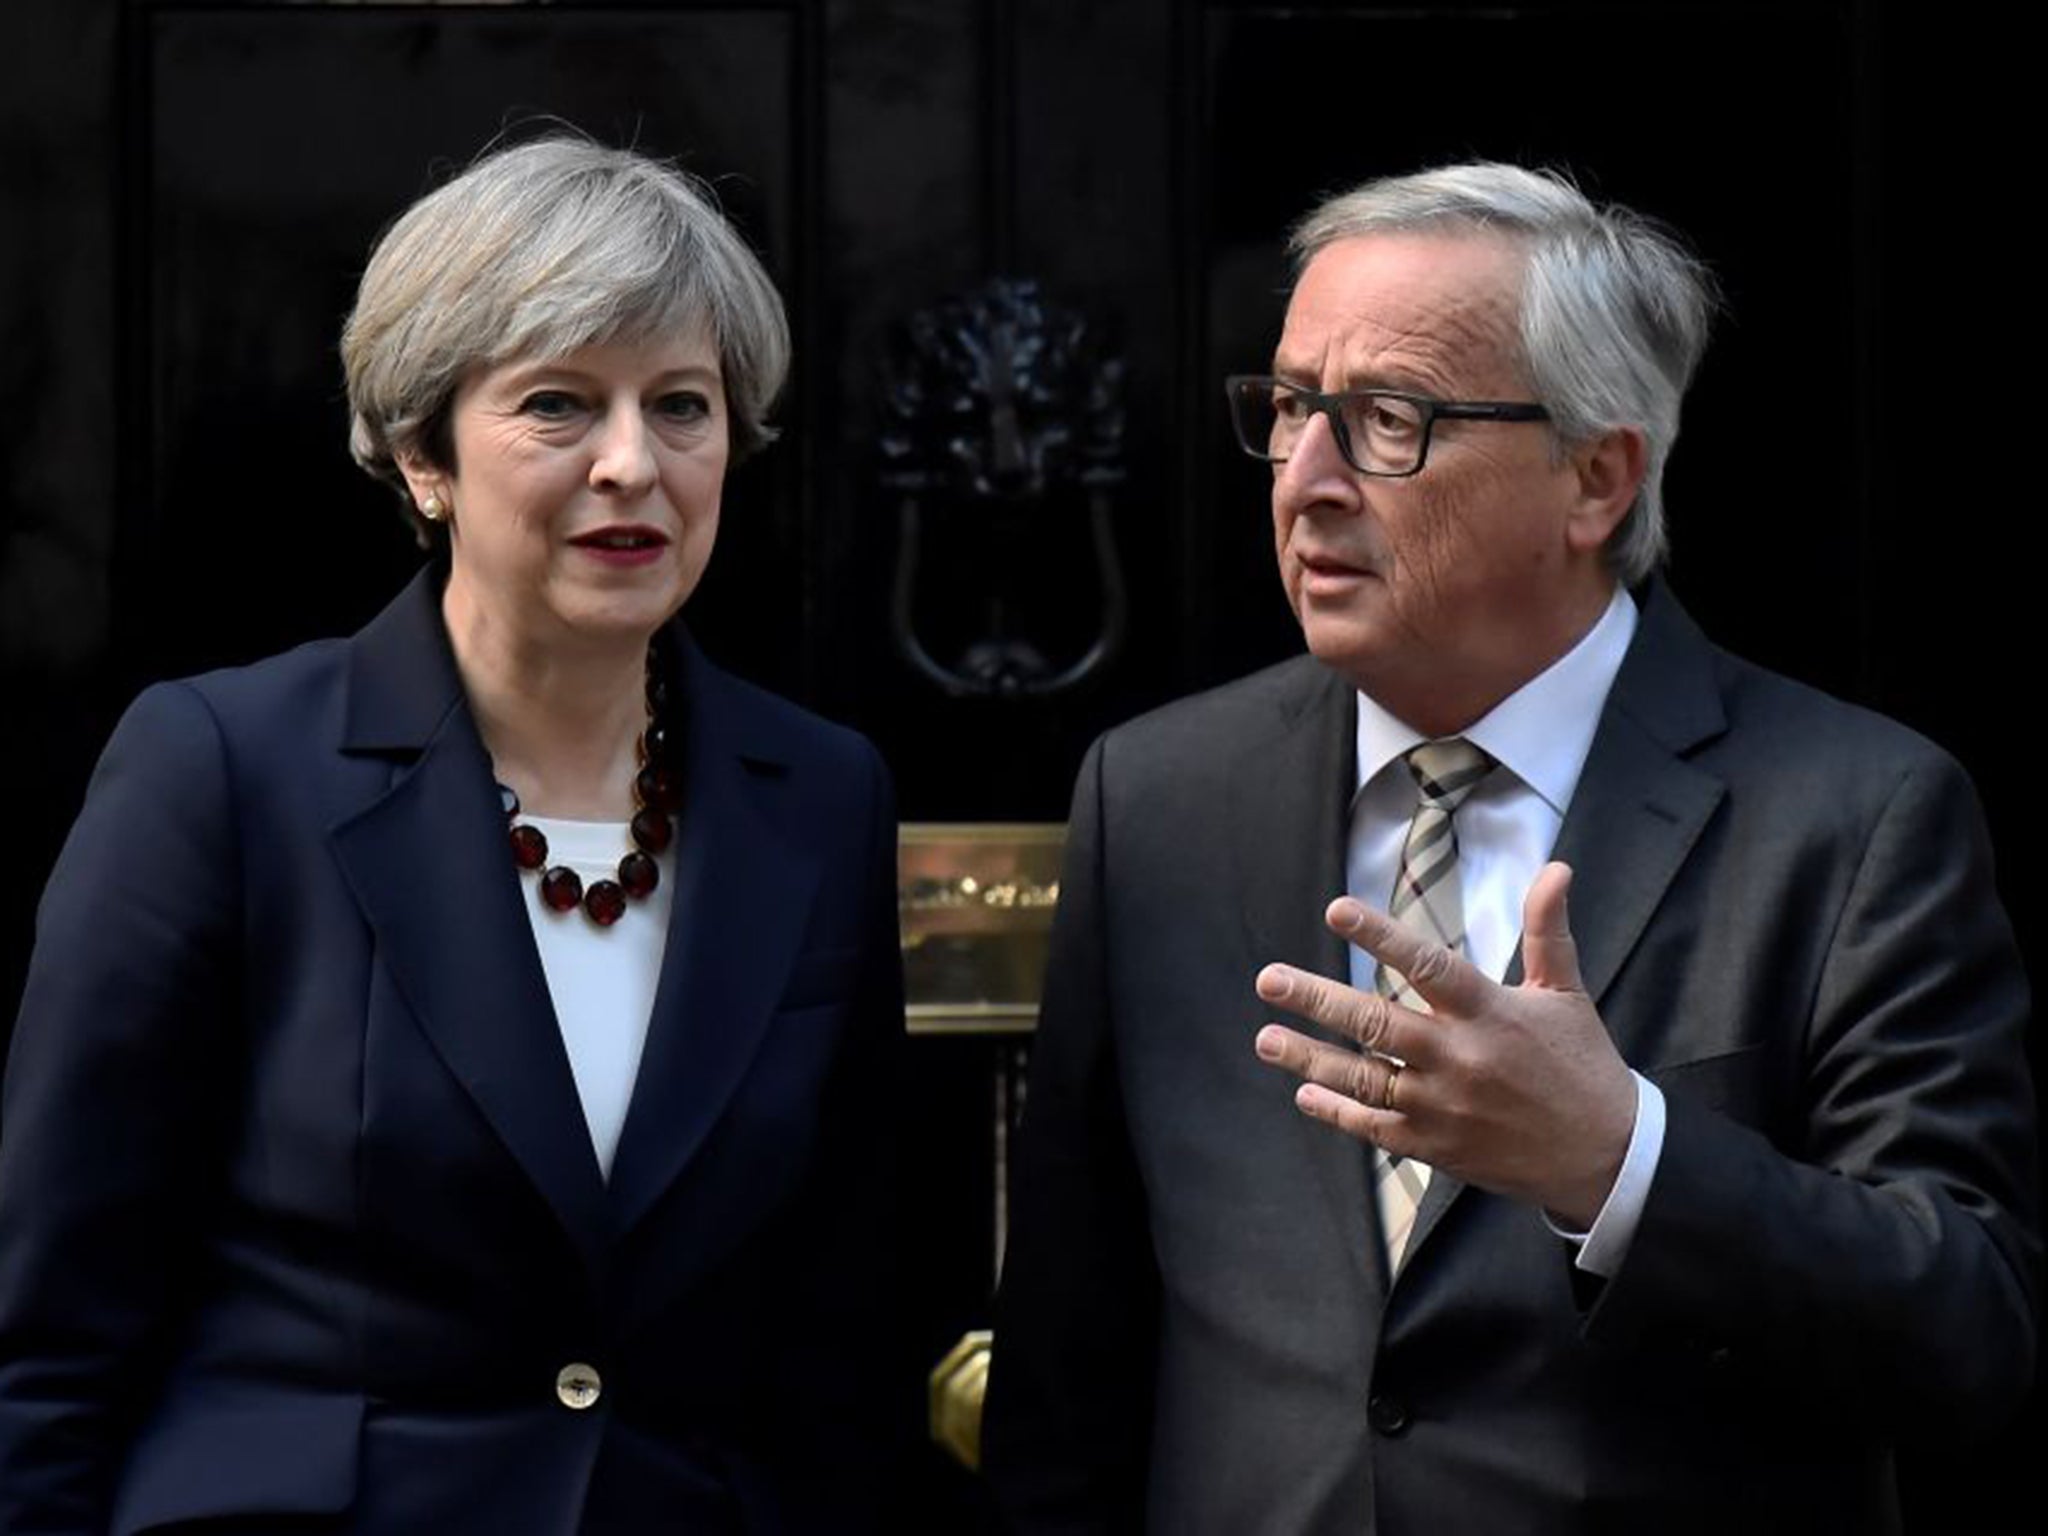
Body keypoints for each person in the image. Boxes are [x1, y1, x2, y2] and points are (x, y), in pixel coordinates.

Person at [981, 162, 2039, 1533]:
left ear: (1596, 478)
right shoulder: (1159, 795)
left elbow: (1968, 1330)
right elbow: (1072, 1358)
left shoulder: (1854, 815)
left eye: (1388, 420)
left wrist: (1622, 1160)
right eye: (1290, 408)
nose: (1304, 481)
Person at [0, 136, 911, 1534]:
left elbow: (840, 1337)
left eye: (682, 405)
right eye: (559, 405)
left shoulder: (824, 795)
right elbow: (54, 1329)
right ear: (422, 455)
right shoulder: (223, 770)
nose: (633, 464)